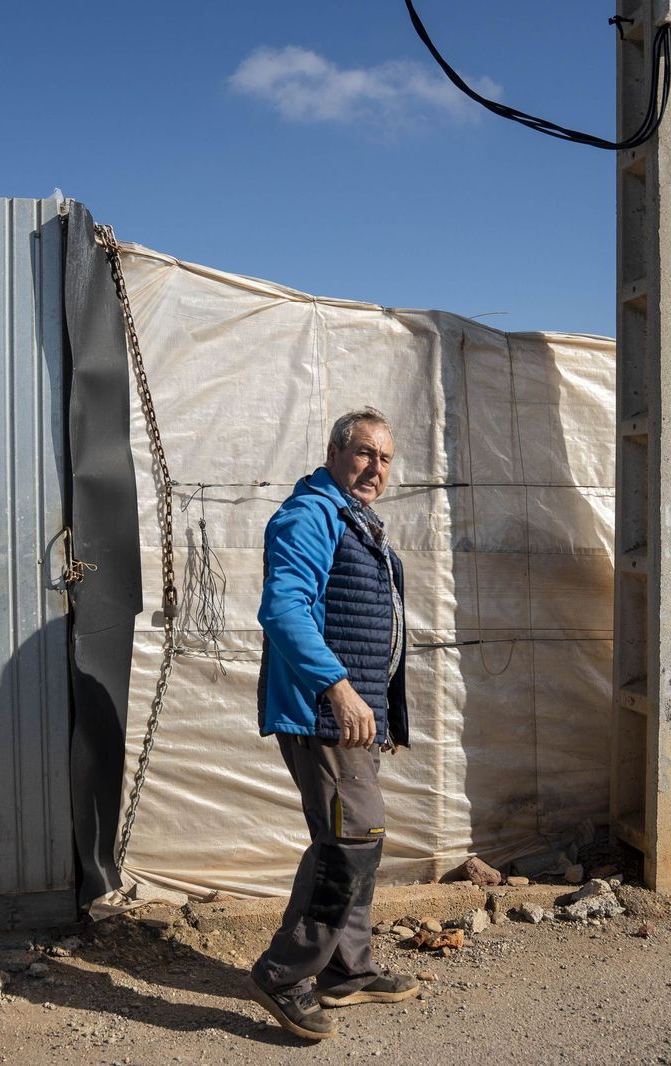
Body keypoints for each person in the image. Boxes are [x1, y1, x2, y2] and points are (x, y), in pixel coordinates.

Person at [245, 407, 418, 1040]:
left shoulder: (353, 518)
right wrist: (339, 689)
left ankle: (348, 971)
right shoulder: (309, 515)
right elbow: (283, 610)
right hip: (323, 713)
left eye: (386, 458)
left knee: (358, 837)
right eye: (365, 454)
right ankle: (284, 973)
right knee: (348, 842)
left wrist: (376, 706)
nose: (376, 468)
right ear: (335, 452)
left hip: (352, 717)